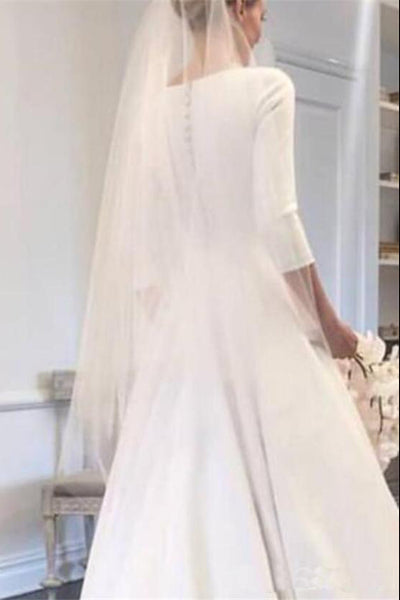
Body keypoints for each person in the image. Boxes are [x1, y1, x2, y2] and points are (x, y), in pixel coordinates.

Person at [57, 0, 399, 597]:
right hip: (259, 319)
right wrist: (329, 325)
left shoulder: (152, 111)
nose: (264, 25)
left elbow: (147, 255)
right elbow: (279, 223)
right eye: (263, 11)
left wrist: (175, 332)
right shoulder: (266, 88)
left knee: (178, 488)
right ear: (238, 8)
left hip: (181, 337)